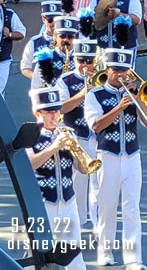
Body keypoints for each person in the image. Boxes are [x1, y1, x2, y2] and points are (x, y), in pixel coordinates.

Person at [84, 48, 147, 269]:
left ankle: (134, 259)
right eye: (116, 70)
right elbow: (96, 125)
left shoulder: (133, 94)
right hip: (108, 157)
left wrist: (139, 99)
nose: (121, 75)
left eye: (125, 71)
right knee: (107, 206)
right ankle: (105, 252)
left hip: (132, 156)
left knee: (132, 207)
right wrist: (119, 106)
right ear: (108, 69)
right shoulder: (94, 95)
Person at [27, 87, 88, 270]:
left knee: (75, 254)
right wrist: (54, 147)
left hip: (68, 202)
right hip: (42, 204)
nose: (55, 116)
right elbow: (30, 164)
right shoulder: (30, 135)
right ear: (37, 112)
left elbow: (84, 170)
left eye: (57, 111)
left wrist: (79, 154)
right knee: (37, 255)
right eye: (50, 112)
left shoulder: (68, 132)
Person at [57, 38, 99, 229]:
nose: (84, 65)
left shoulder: (103, 78)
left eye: (89, 61)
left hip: (98, 138)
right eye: (80, 60)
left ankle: (99, 226)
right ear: (74, 60)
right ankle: (79, 225)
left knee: (99, 187)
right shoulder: (65, 81)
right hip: (77, 138)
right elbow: (61, 108)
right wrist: (83, 92)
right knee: (78, 187)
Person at [31, 16, 77, 88]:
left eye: (70, 37)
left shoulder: (81, 59)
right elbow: (35, 87)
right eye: (62, 36)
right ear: (55, 37)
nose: (66, 40)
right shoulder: (45, 58)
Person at [21, 0, 62, 80]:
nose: (54, 23)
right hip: (42, 88)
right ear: (43, 19)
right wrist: (39, 80)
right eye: (50, 20)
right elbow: (25, 67)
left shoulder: (69, 40)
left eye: (57, 19)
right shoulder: (34, 42)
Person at [0, 0, 25, 94]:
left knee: (0, 90)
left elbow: (21, 33)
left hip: (3, 59)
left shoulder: (9, 14)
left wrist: (9, 34)